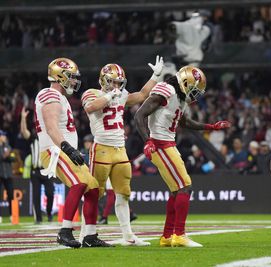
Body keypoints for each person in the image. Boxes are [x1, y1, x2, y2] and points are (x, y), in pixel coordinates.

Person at [134, 65, 230, 247]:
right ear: (184, 83)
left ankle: (167, 236)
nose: (195, 95)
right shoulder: (166, 90)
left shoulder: (179, 97)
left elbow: (184, 122)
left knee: (177, 191)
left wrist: (210, 127)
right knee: (185, 187)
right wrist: (147, 141)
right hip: (160, 145)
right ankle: (179, 234)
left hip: (167, 144)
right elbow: (139, 115)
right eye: (194, 90)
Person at [80, 56, 164, 246]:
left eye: (119, 82)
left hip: (120, 150)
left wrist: (155, 76)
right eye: (113, 81)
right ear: (103, 80)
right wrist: (110, 96)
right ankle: (85, 234)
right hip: (101, 148)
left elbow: (142, 95)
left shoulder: (122, 94)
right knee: (94, 193)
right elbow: (91, 107)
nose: (117, 85)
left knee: (123, 193)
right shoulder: (91, 93)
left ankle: (128, 236)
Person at [35, 58, 111, 248]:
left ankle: (90, 236)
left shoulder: (61, 98)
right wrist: (67, 148)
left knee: (93, 188)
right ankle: (65, 231)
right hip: (54, 151)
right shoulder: (48, 94)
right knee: (80, 183)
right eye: (70, 77)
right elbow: (52, 127)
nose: (73, 81)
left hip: (64, 151)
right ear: (59, 76)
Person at [20, 106, 55, 224]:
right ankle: (38, 219)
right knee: (36, 195)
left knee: (50, 193)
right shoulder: (33, 138)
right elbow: (24, 132)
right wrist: (23, 118)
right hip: (35, 171)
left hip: (47, 169)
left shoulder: (50, 138)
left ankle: (49, 213)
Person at [0, 130, 14, 223]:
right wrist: (6, 156)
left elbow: (12, 157)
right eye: (2, 135)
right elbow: (2, 156)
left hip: (8, 174)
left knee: (11, 195)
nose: (4, 137)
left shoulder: (7, 145)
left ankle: (12, 214)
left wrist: (7, 156)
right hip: (0, 174)